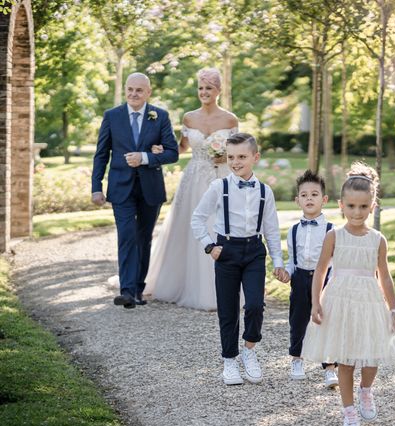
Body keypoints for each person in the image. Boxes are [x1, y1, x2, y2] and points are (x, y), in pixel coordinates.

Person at [301, 162, 395, 426]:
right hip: (341, 300)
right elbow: (321, 269)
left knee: (371, 356)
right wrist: (316, 302)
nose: (357, 212)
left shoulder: (378, 239)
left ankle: (366, 390)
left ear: (373, 206)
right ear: (341, 205)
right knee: (345, 359)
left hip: (369, 301)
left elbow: (385, 276)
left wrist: (393, 310)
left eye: (364, 207)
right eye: (352, 206)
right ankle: (349, 413)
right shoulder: (334, 236)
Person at [191, 133, 287, 385]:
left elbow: (272, 230)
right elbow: (197, 218)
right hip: (226, 251)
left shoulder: (266, 192)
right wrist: (209, 245)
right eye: (231, 157)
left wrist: (278, 261)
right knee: (228, 309)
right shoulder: (218, 187)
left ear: (255, 157)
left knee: (255, 305)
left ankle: (249, 350)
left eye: (242, 157)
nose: (235, 162)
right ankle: (229, 360)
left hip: (254, 251)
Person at [143, 67, 238, 310]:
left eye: (209, 88)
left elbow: (237, 151)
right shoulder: (189, 118)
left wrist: (226, 157)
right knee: (190, 226)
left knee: (217, 226)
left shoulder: (230, 120)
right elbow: (182, 148)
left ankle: (221, 287)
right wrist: (161, 150)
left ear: (218, 90)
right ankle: (184, 284)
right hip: (195, 177)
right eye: (201, 88)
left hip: (220, 176)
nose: (204, 92)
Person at [92, 72, 179, 309]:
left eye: (139, 90)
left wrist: (145, 157)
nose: (133, 94)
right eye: (130, 89)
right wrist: (96, 188)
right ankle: (127, 291)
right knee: (127, 235)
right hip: (121, 188)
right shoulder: (112, 116)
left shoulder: (160, 116)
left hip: (150, 188)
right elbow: (101, 155)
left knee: (143, 238)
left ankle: (139, 289)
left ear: (148, 92)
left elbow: (172, 153)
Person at [282, 170, 338, 388]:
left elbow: (336, 261)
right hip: (300, 278)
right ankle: (297, 359)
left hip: (325, 280)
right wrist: (287, 272)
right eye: (304, 195)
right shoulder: (293, 230)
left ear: (324, 200)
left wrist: (332, 283)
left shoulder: (332, 230)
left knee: (327, 321)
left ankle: (330, 366)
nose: (309, 199)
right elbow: (291, 259)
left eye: (314, 194)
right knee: (298, 320)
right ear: (297, 201)